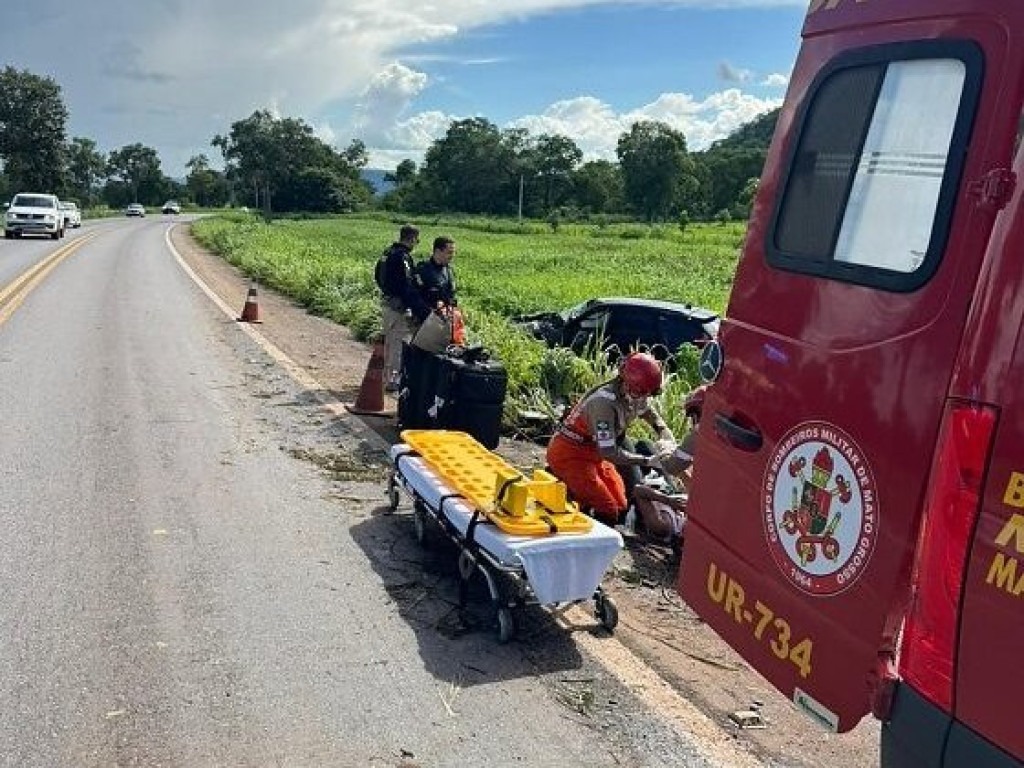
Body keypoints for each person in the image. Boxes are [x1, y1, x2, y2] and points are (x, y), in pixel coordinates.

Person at [546, 352, 674, 527]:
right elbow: (609, 452)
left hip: (593, 454)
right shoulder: (603, 405)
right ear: (627, 384)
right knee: (607, 508)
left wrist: (663, 430)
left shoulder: (635, 393)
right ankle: (569, 491)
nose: (643, 399)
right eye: (640, 393)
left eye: (647, 394)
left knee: (621, 505)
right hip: (571, 454)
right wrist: (648, 461)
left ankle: (577, 492)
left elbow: (648, 412)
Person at [377, 224, 430, 390]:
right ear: (412, 239)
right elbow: (407, 286)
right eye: (417, 241)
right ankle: (392, 381)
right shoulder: (403, 257)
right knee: (398, 344)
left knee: (390, 341)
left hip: (387, 302)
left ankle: (386, 378)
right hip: (397, 306)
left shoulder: (387, 253)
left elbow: (377, 276)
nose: (416, 244)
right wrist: (419, 309)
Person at [414, 236, 457, 309]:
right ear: (437, 251)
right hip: (427, 315)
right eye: (449, 252)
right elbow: (415, 296)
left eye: (454, 252)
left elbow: (451, 295)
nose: (452, 256)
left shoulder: (449, 270)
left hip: (446, 314)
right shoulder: (423, 270)